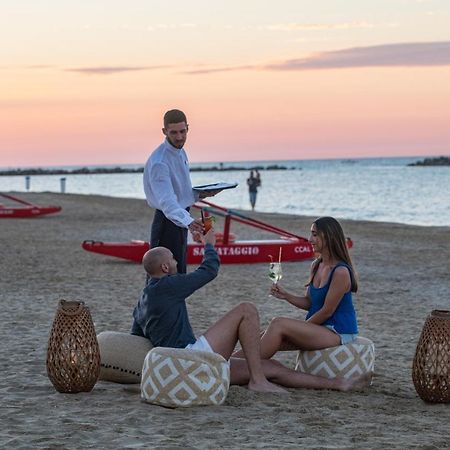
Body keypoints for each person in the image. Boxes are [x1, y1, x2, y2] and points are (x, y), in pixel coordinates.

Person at [131, 226, 370, 393]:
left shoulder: (143, 300)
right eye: (173, 259)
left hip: (182, 364)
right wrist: (210, 245)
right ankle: (257, 380)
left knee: (272, 367)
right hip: (191, 357)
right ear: (164, 266)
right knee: (247, 310)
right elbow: (209, 271)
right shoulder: (168, 285)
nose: (176, 262)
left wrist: (148, 371)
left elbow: (136, 339)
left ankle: (339, 384)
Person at [234, 216, 359, 360]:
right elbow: (310, 303)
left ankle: (240, 367)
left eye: (315, 234)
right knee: (264, 335)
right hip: (319, 328)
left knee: (278, 323)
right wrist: (286, 296)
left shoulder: (340, 272)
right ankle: (229, 363)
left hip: (338, 332)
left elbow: (326, 311)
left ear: (329, 237)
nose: (310, 239)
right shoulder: (316, 265)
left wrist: (300, 328)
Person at [143, 109, 219, 274]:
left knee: (180, 271)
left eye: (182, 131)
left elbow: (179, 192)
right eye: (174, 133)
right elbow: (167, 203)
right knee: (163, 276)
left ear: (188, 128)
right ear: (164, 132)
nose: (179, 137)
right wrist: (190, 222)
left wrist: (200, 194)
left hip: (180, 219)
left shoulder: (180, 151)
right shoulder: (160, 162)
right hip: (166, 221)